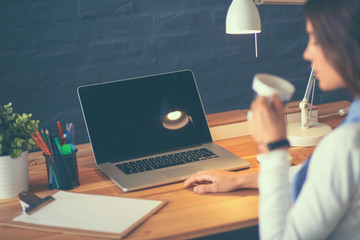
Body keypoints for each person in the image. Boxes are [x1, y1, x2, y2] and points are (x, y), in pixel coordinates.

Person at [184, 0, 360, 239]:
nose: (307, 52)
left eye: (316, 39)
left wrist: (274, 147)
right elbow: (318, 178)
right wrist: (242, 180)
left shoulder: (345, 146)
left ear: (349, 43)